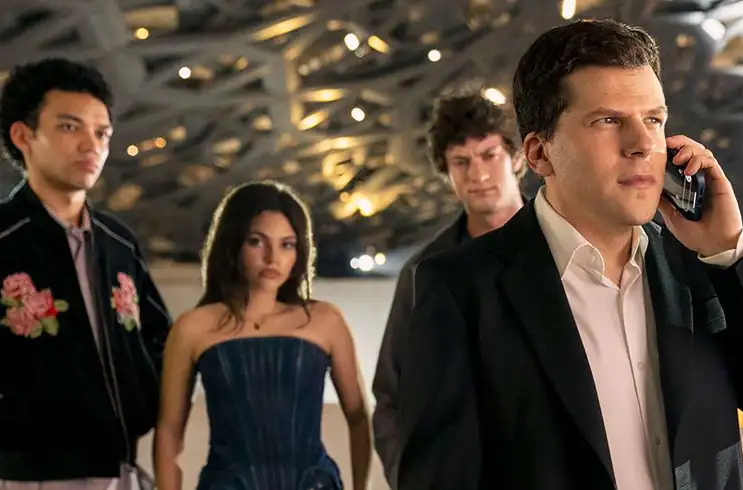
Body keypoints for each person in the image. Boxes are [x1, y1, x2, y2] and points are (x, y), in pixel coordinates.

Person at [384, 18, 743, 490]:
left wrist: (731, 251)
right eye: (608, 121)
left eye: (653, 120)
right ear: (539, 154)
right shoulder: (458, 290)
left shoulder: (703, 265)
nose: (642, 144)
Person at [0, 58, 171, 488]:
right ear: (23, 136)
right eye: (68, 127)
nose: (90, 145)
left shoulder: (119, 243)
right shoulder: (4, 238)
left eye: (102, 133)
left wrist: (140, 401)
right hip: (28, 475)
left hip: (122, 469)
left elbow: (161, 340)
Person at [152, 181, 371, 490]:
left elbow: (358, 416)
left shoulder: (325, 321)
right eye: (257, 241)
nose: (273, 258)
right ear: (232, 244)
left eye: (287, 244)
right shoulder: (193, 327)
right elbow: (169, 432)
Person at [371, 92, 525, 487]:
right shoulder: (423, 272)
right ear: (446, 171)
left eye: (489, 155)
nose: (478, 173)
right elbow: (391, 394)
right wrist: (411, 477)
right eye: (461, 161)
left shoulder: (564, 250)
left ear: (517, 158)